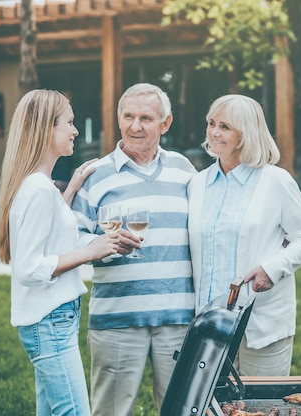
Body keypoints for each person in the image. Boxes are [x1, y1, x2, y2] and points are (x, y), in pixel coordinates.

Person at [71, 83, 197, 415]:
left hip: (178, 319)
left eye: (146, 118)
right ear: (118, 118)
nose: (135, 126)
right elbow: (72, 239)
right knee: (110, 411)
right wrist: (99, 245)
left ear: (165, 123)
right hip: (116, 318)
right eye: (128, 116)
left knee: (181, 410)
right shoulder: (94, 175)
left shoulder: (184, 171)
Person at [0, 89, 119, 416]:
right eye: (69, 122)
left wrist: (72, 189)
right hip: (49, 323)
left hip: (50, 321)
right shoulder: (37, 190)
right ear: (45, 129)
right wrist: (90, 252)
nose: (76, 130)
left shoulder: (39, 186)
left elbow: (51, 234)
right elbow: (28, 269)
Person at [187, 94, 301, 376]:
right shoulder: (197, 184)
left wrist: (271, 269)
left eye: (225, 126)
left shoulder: (275, 181)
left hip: (260, 320)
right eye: (211, 123)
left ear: (246, 134)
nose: (214, 132)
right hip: (210, 324)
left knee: (260, 402)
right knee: (213, 406)